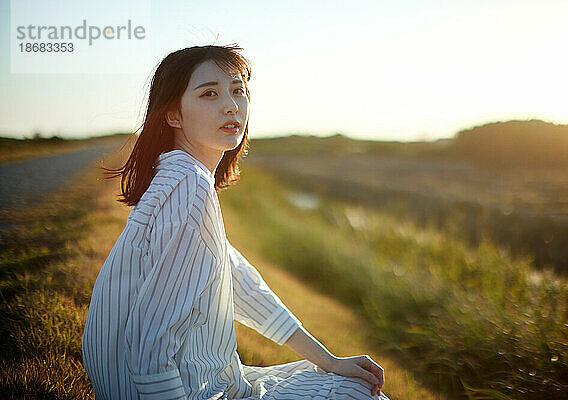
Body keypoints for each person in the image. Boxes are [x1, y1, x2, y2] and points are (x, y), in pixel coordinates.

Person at [82, 44, 388, 400]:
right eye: (209, 93)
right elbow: (149, 344)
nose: (231, 105)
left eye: (238, 90)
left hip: (191, 379)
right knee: (361, 394)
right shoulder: (189, 187)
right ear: (173, 116)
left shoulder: (181, 177)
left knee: (348, 382)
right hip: (174, 390)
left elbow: (241, 284)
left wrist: (328, 360)